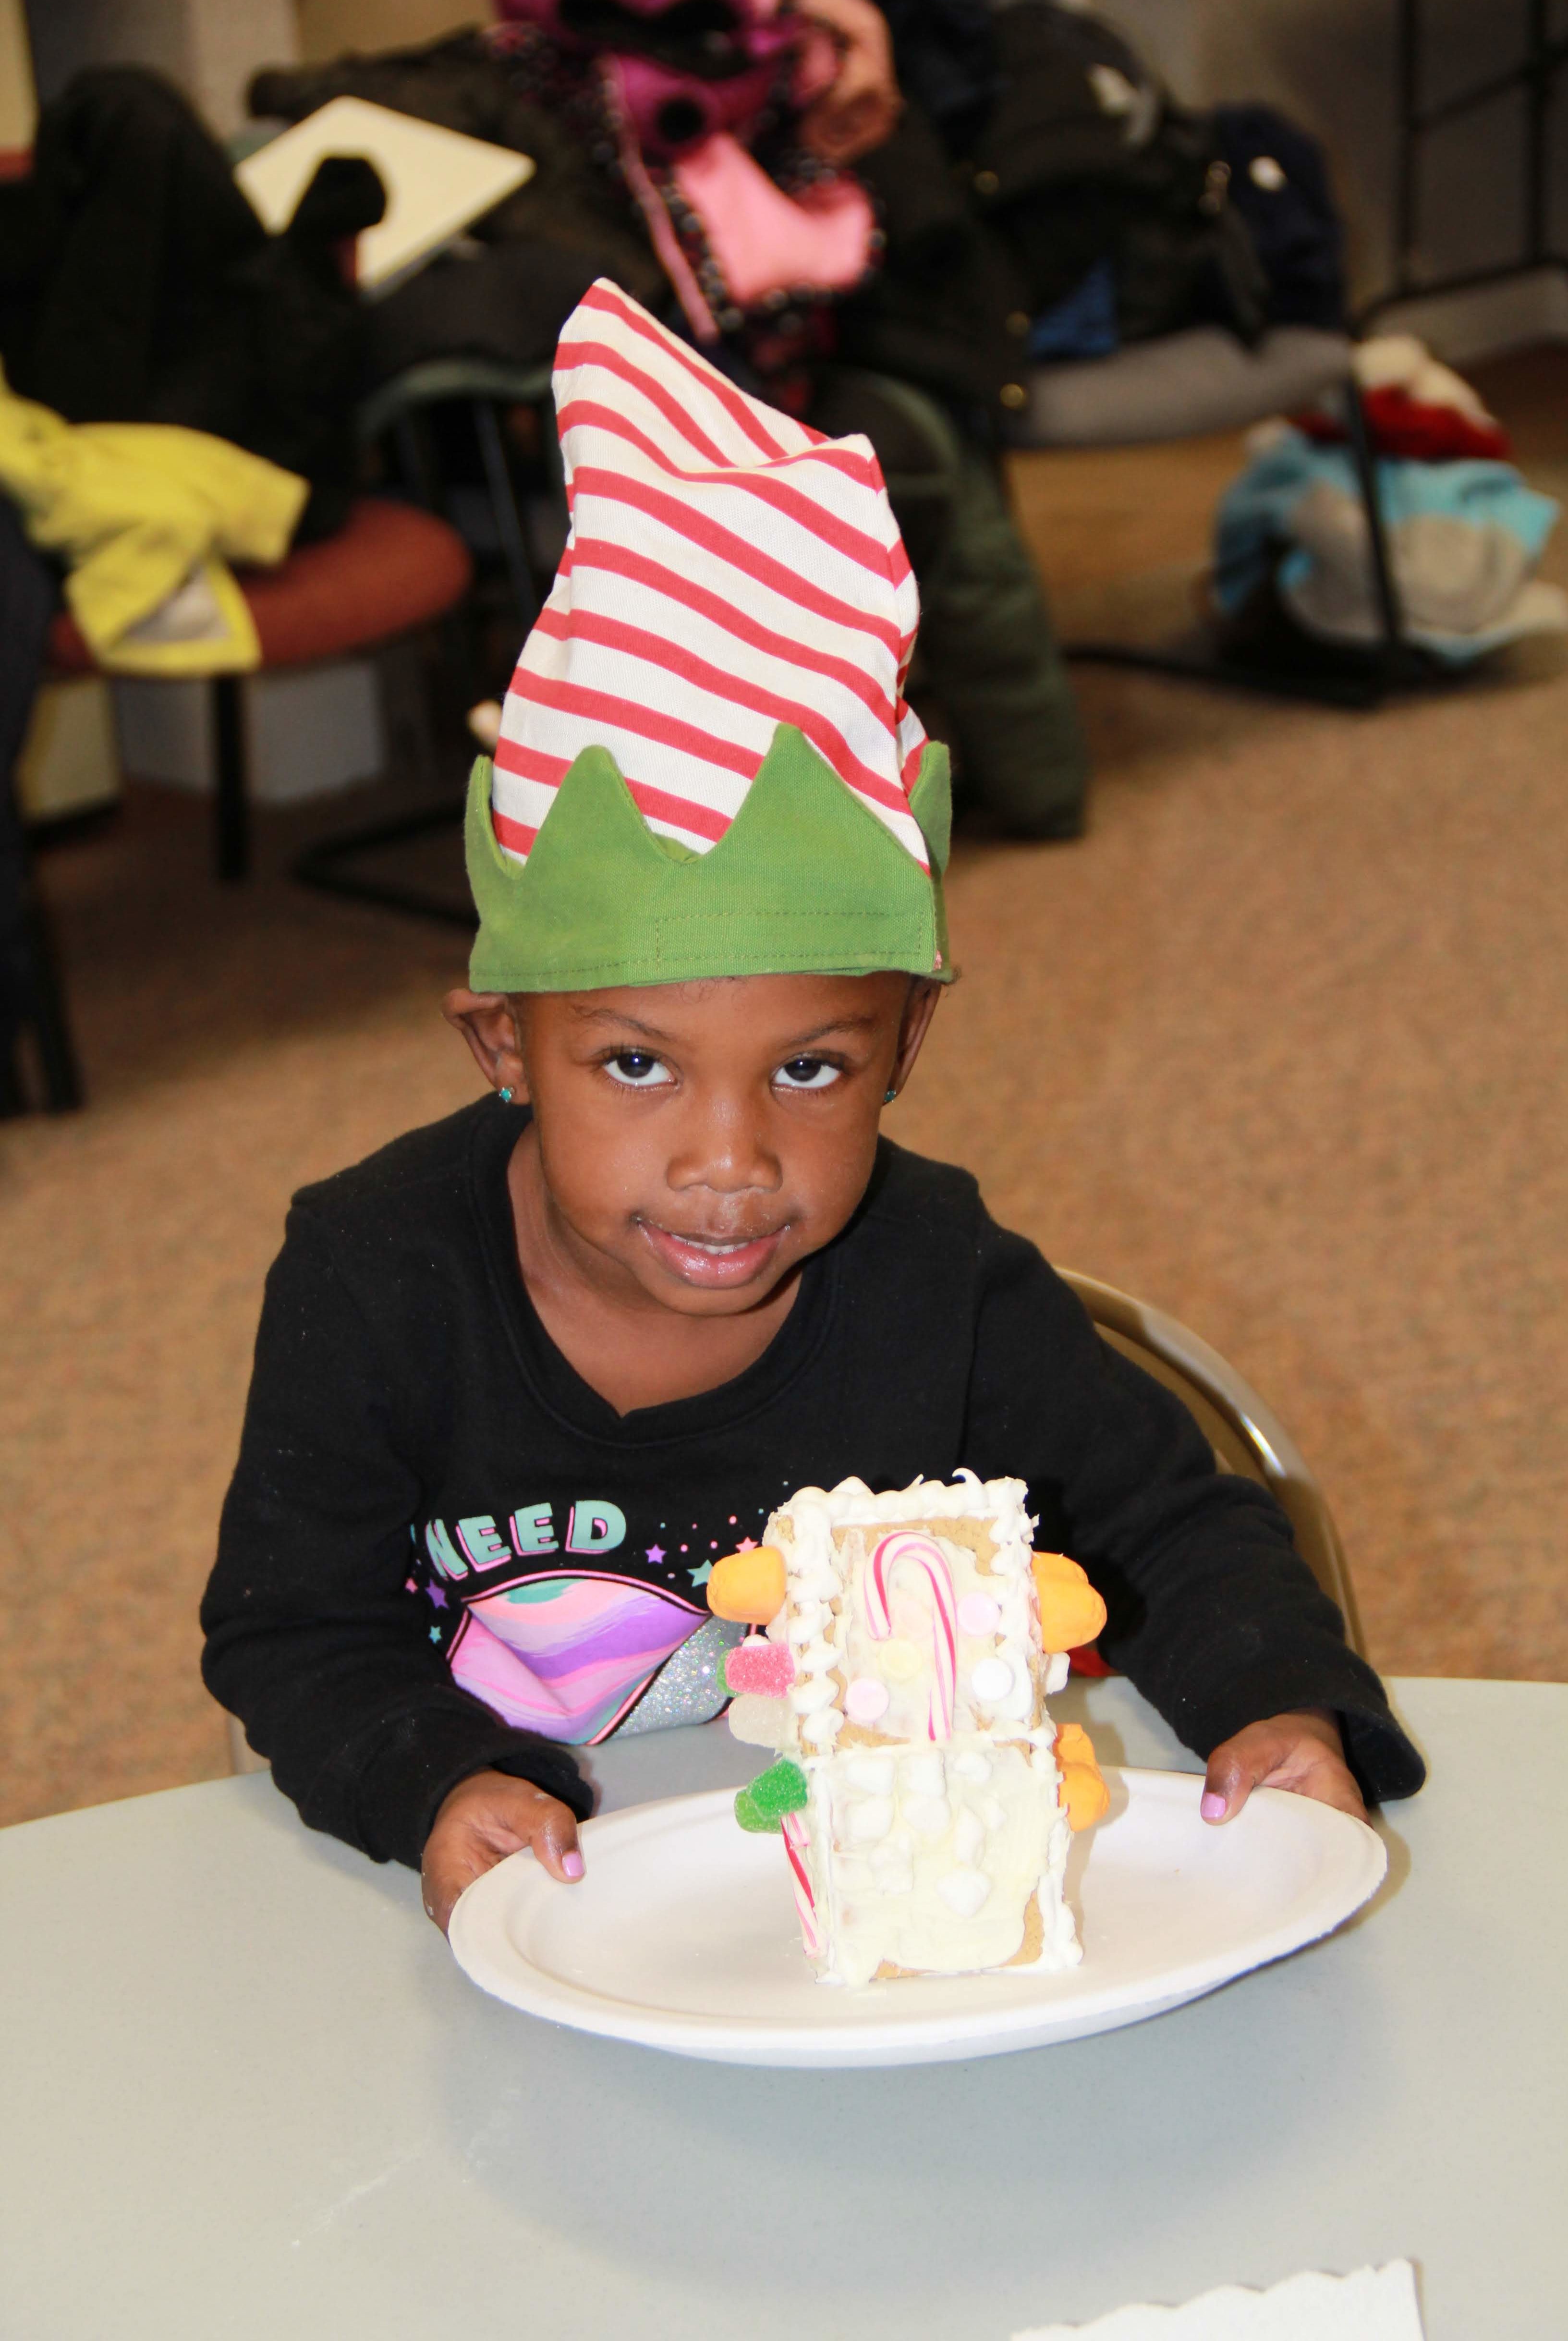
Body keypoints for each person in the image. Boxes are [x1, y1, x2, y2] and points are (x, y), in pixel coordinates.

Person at [201, 283, 1422, 1936]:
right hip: (535, 1912)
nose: (730, 1160)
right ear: (501, 1045)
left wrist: (1276, 1703)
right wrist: (429, 1778)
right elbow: (295, 1627)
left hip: (867, 1915)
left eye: (810, 1067)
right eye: (635, 1064)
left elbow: (1169, 1517)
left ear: (903, 1044)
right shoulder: (369, 1276)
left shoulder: (938, 1272)